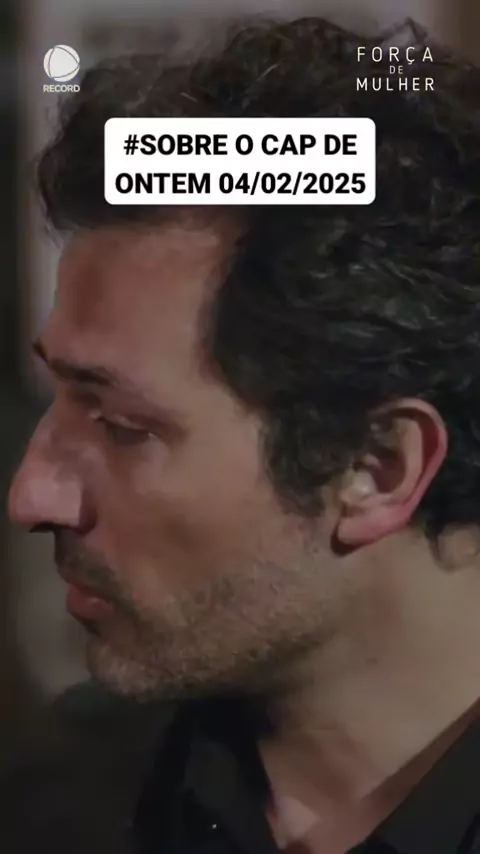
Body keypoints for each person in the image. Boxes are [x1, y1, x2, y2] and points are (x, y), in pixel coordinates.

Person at [6, 14, 480, 854]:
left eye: (121, 427)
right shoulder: (53, 808)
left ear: (376, 468)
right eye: (58, 398)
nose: (30, 495)